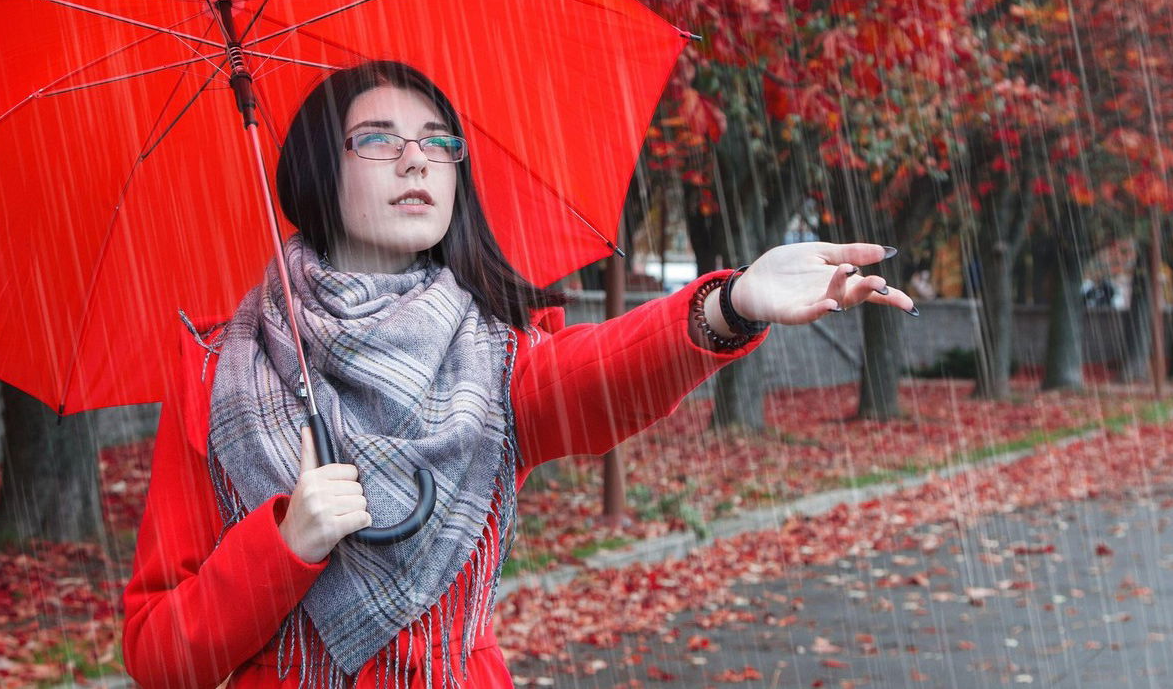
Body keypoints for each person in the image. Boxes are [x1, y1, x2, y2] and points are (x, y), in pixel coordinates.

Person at [120, 61, 916, 689]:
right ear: (316, 171)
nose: (415, 158)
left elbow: (604, 375)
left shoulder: (495, 363)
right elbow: (160, 655)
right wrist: (283, 546)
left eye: (438, 141)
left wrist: (732, 302)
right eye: (376, 138)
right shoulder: (218, 378)